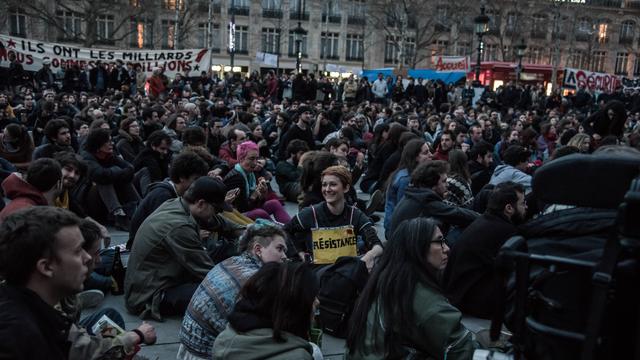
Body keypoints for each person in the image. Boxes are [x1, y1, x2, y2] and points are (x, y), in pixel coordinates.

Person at [0, 207, 155, 359]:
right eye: (78, 251)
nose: (88, 258)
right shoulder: (18, 336)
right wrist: (137, 335)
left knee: (110, 316)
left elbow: (82, 348)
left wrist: (133, 337)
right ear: (46, 267)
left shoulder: (39, 309)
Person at [346, 218, 475, 359]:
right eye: (439, 242)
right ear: (418, 247)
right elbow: (462, 348)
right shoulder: (425, 301)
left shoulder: (387, 278)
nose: (447, 248)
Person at [178, 224, 289, 360]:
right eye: (280, 249)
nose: (284, 256)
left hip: (188, 348)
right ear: (258, 249)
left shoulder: (232, 262)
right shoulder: (255, 278)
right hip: (207, 354)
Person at [124, 176, 229, 320]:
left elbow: (216, 221)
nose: (217, 213)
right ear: (201, 203)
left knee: (224, 253)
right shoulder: (180, 227)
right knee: (219, 295)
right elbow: (206, 272)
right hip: (149, 295)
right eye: (216, 209)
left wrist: (244, 229)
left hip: (160, 277)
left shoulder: (176, 204)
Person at [444, 182, 526, 319]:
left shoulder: (486, 221)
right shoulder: (506, 231)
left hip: (458, 295)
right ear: (509, 208)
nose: (526, 207)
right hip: (470, 302)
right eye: (523, 203)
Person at [212, 262, 321, 360]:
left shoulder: (225, 338)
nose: (317, 302)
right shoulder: (298, 356)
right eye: (312, 297)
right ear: (294, 306)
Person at [284, 165, 383, 270]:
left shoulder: (355, 214)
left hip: (346, 273)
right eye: (324, 185)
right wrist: (299, 253)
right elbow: (285, 230)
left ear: (346, 188)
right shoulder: (311, 213)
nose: (327, 189)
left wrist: (370, 256)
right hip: (317, 274)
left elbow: (377, 244)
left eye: (333, 184)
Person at [128, 152, 209, 249]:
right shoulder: (163, 196)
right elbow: (164, 232)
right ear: (182, 177)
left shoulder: (176, 193)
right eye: (195, 179)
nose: (198, 184)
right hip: (144, 248)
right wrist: (193, 236)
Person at [388, 161, 478, 238]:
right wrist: (483, 219)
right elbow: (456, 214)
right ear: (433, 184)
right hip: (407, 253)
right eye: (444, 181)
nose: (448, 184)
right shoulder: (426, 200)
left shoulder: (415, 194)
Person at [82, 128, 140, 229]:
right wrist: (117, 170)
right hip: (90, 201)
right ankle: (118, 214)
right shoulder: (87, 157)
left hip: (108, 200)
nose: (111, 143)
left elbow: (130, 168)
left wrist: (117, 173)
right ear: (98, 145)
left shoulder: (109, 155)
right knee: (104, 181)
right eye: (107, 141)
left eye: (111, 140)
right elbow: (100, 175)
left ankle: (139, 207)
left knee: (124, 179)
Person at [224, 141, 291, 223]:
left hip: (247, 210)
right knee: (260, 213)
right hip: (235, 216)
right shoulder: (235, 178)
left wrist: (262, 195)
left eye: (257, 158)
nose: (255, 163)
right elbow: (242, 208)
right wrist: (254, 195)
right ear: (241, 159)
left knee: (274, 203)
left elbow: (255, 204)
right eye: (252, 159)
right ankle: (277, 232)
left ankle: (290, 227)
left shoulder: (250, 173)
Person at [383, 138, 432, 232]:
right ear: (415, 157)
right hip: (397, 230)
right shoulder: (406, 179)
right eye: (426, 153)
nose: (431, 155)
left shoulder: (412, 174)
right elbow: (404, 211)